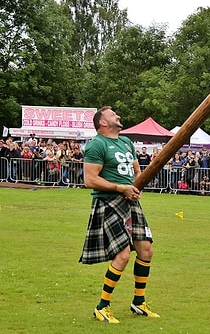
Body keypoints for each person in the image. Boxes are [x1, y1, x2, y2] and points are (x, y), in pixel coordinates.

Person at [80, 106, 159, 323]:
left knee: (146, 249)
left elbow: (136, 171)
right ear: (102, 123)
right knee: (123, 255)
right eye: (112, 114)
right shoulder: (97, 144)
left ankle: (139, 302)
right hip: (108, 202)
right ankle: (102, 306)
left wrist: (136, 187)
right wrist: (120, 188)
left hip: (129, 201)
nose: (118, 115)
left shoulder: (126, 143)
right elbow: (90, 180)